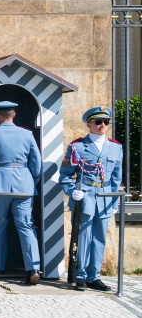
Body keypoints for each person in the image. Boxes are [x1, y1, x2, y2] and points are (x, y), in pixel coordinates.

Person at [60, 106, 123, 292]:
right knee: (83, 237)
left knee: (99, 239)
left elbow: (116, 178)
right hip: (85, 197)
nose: (102, 125)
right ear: (89, 124)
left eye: (106, 122)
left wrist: (114, 200)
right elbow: (65, 175)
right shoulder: (77, 146)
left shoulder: (116, 147)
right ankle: (80, 274)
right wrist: (72, 191)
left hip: (104, 198)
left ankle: (93, 276)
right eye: (98, 121)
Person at [0, 100, 42, 285]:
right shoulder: (28, 134)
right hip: (25, 184)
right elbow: (36, 164)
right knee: (26, 226)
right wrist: (32, 182)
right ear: (14, 114)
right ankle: (33, 268)